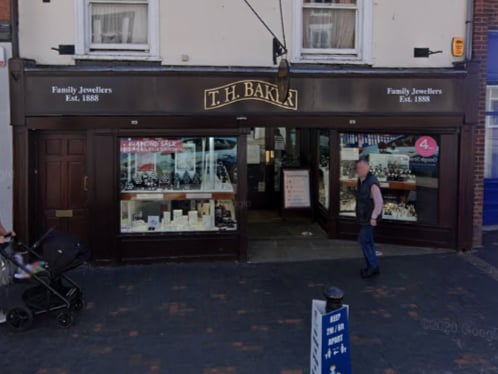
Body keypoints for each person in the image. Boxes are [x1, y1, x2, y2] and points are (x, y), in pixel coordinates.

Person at [355, 159, 383, 279]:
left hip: (369, 218)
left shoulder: (372, 183)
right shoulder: (361, 180)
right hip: (364, 216)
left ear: (368, 167)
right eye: (358, 168)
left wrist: (373, 217)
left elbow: (379, 202)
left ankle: (372, 267)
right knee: (368, 242)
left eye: (362, 167)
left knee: (363, 241)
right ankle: (372, 266)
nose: (360, 170)